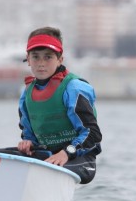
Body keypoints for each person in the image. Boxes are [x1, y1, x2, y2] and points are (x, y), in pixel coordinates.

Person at [16, 26, 102, 184]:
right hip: (46, 156)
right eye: (36, 57)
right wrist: (28, 143)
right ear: (28, 60)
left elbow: (93, 134)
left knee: (46, 170)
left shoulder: (74, 88)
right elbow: (30, 135)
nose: (41, 63)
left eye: (48, 57)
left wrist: (66, 153)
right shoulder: (26, 92)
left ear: (60, 59)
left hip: (79, 158)